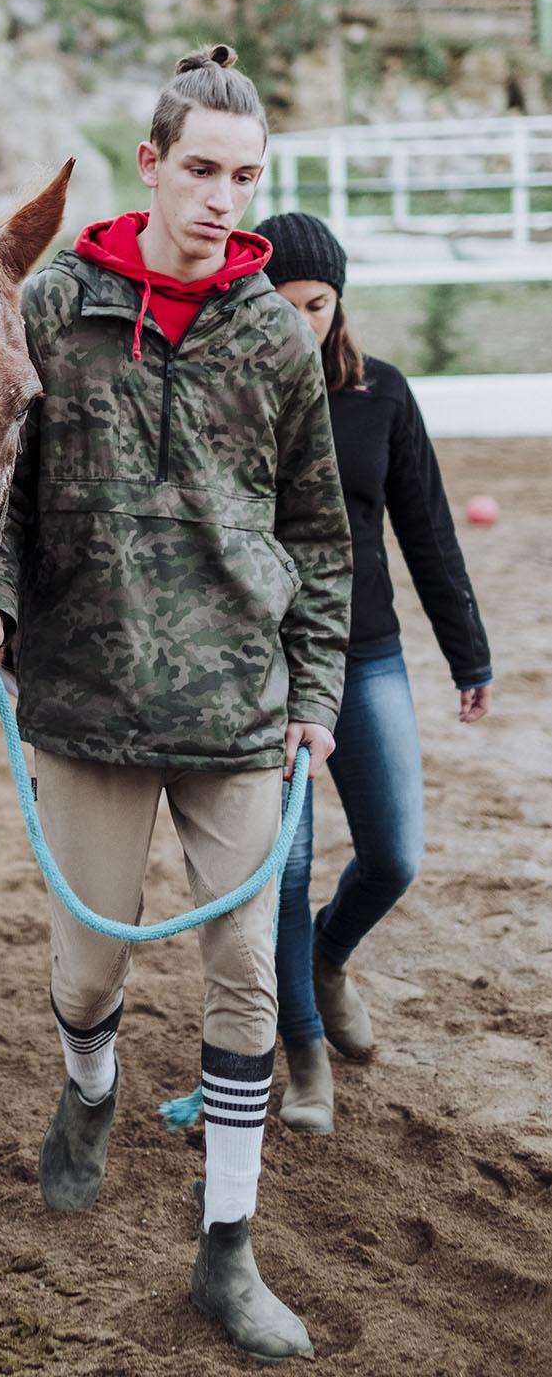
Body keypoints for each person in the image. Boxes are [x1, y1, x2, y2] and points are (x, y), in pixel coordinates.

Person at [0, 46, 350, 1362]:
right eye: (201, 171)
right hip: (83, 702)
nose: (223, 201)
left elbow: (317, 532)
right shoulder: (57, 304)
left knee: (247, 978)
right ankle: (87, 1088)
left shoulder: (273, 337)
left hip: (240, 715)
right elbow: (2, 504)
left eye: (245, 179)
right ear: (150, 165)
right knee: (89, 971)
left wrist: (313, 691)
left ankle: (227, 1251)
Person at [253, 211, 493, 1134]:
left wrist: (465, 652)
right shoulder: (233, 394)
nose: (298, 323)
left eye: (315, 305)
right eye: (279, 307)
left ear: (337, 300)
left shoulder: (378, 394)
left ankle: (325, 956)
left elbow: (427, 529)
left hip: (367, 654)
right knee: (284, 870)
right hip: (261, 670)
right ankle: (303, 1055)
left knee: (393, 853)